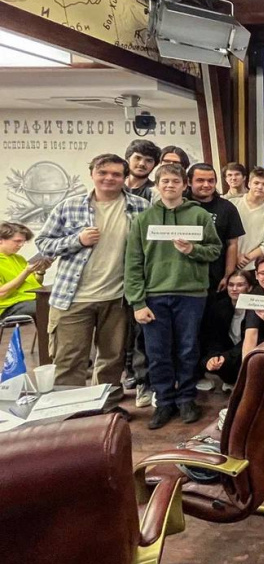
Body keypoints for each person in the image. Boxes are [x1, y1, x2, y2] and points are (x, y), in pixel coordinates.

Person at [36, 153, 150, 409]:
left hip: (117, 297)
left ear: (125, 178)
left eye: (116, 174)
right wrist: (77, 240)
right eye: (103, 173)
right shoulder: (69, 206)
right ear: (92, 174)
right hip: (73, 298)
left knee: (112, 359)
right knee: (69, 360)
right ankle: (69, 412)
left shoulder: (140, 207)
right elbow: (43, 244)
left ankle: (105, 410)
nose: (109, 178)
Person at [125, 163, 221, 429]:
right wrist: (137, 302)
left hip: (191, 294)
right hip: (154, 295)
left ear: (184, 185)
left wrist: (193, 250)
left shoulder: (199, 215)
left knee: (188, 349)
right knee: (157, 352)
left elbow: (215, 250)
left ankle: (187, 398)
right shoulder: (143, 220)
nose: (170, 185)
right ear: (157, 185)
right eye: (165, 181)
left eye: (175, 181)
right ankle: (164, 400)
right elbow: (133, 263)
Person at [186, 163, 244, 294]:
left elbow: (232, 244)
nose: (206, 185)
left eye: (211, 181)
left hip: (216, 276)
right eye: (200, 180)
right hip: (186, 275)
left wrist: (228, 276)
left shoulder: (227, 208)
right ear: (189, 182)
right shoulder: (181, 205)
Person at [201, 269, 254, 390]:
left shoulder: (254, 309)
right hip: (226, 353)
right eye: (231, 285)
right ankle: (230, 381)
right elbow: (214, 338)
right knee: (206, 360)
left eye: (240, 285)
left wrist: (225, 357)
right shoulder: (219, 307)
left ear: (250, 288)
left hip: (244, 354)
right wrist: (214, 357)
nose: (234, 289)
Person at [0, 222, 51, 321]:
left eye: (23, 242)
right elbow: (2, 293)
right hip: (9, 306)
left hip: (31, 300)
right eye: (17, 241)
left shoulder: (19, 259)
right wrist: (26, 272)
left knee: (63, 301)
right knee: (50, 307)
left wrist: (41, 271)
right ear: (1, 240)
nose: (21, 245)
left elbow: (34, 285)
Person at [230, 167, 264, 271]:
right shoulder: (232, 204)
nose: (260, 187)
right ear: (249, 184)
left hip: (253, 266)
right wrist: (235, 255)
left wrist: (247, 258)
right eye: (256, 183)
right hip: (228, 261)